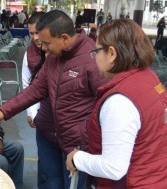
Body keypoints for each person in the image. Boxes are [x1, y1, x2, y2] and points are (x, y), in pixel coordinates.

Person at [0, 10, 107, 189]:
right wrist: (3, 111)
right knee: (49, 184)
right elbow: (35, 89)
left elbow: (104, 105)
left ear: (65, 38)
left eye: (46, 43)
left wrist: (86, 137)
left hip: (77, 144)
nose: (42, 48)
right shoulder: (54, 57)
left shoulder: (92, 59)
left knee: (73, 185)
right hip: (49, 134)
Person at [66, 19, 167, 188]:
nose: (95, 58)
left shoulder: (119, 101)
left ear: (111, 54)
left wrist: (76, 158)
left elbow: (113, 167)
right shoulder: (150, 78)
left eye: (96, 51)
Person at [22, 11, 63, 188]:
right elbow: (28, 86)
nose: (35, 38)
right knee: (47, 169)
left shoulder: (63, 53)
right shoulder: (29, 54)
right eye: (31, 33)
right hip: (44, 119)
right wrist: (32, 112)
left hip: (67, 122)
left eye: (38, 32)